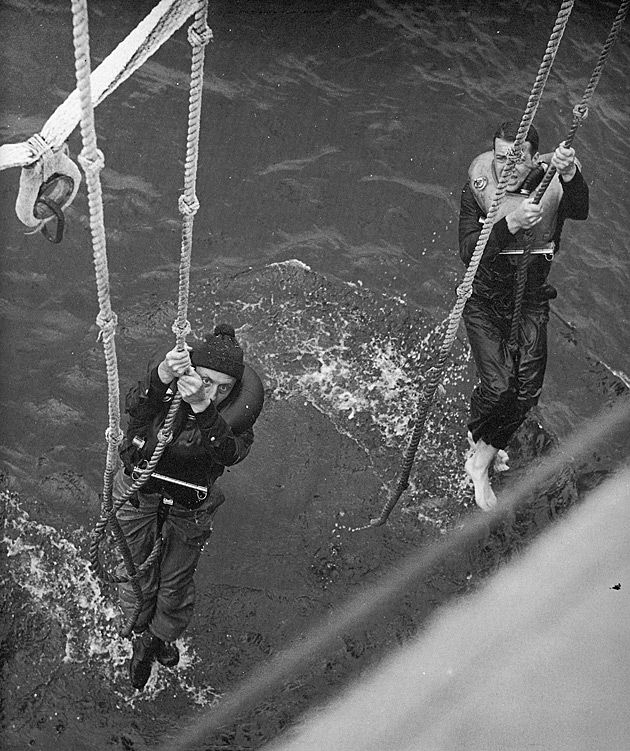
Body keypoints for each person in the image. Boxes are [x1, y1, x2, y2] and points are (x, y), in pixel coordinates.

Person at [113, 323, 261, 690]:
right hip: (139, 490)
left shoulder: (237, 422)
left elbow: (228, 451)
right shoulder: (164, 393)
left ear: (234, 392)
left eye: (222, 387)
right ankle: (135, 628)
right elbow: (132, 406)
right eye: (204, 379)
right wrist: (163, 374)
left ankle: (157, 639)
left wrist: (202, 406)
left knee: (176, 580)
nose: (211, 390)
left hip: (190, 505)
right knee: (135, 572)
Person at [458, 121, 589, 510]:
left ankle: (480, 462)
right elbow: (468, 249)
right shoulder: (478, 188)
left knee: (527, 390)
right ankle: (476, 433)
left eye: (518, 158)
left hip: (530, 297)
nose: (508, 166)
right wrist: (509, 224)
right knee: (499, 387)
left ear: (534, 159)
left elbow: (580, 209)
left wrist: (570, 173)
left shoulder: (548, 183)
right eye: (501, 157)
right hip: (484, 297)